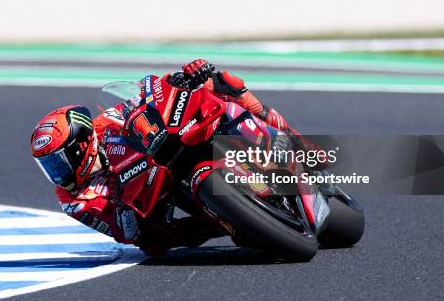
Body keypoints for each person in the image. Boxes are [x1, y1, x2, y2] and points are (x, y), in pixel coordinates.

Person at [30, 59, 296, 255]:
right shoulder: (73, 200)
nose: (56, 172)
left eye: (58, 161)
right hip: (151, 201)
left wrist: (179, 80)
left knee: (219, 83)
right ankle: (227, 221)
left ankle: (288, 138)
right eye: (48, 165)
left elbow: (145, 99)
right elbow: (125, 232)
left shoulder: (104, 124)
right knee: (153, 244)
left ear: (83, 144)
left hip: (163, 152)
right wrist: (125, 200)